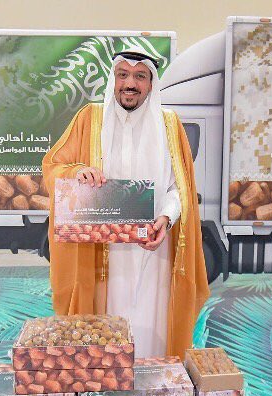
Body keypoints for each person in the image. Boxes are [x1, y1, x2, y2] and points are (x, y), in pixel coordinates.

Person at [42, 48, 209, 359]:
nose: (130, 84)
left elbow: (180, 187)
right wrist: (78, 172)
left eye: (140, 76)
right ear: (114, 79)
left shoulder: (170, 124)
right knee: (104, 333)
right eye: (123, 75)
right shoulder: (90, 118)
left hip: (154, 248)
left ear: (151, 83)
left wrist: (166, 218)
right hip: (103, 254)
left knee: (153, 332)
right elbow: (53, 166)